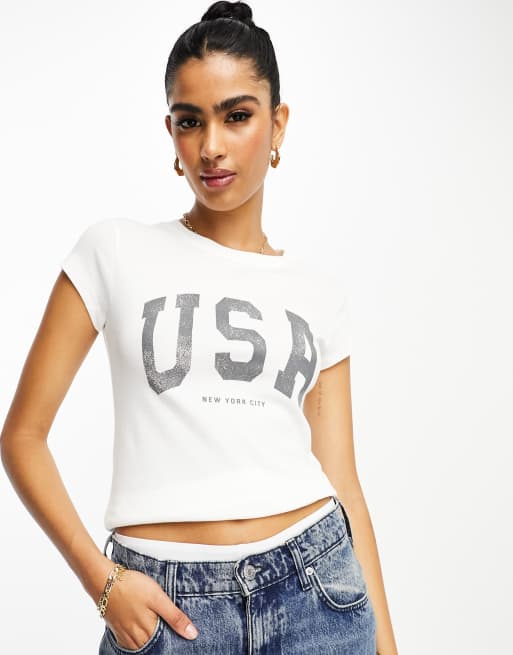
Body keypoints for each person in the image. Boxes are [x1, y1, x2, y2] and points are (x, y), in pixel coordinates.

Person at [1, 1, 398, 653]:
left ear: (277, 123)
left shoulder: (318, 293)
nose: (211, 146)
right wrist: (102, 581)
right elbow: (22, 436)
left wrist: (388, 646)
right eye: (190, 121)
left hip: (318, 594)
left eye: (236, 116)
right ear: (171, 130)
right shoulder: (113, 251)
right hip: (166, 610)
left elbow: (343, 482)